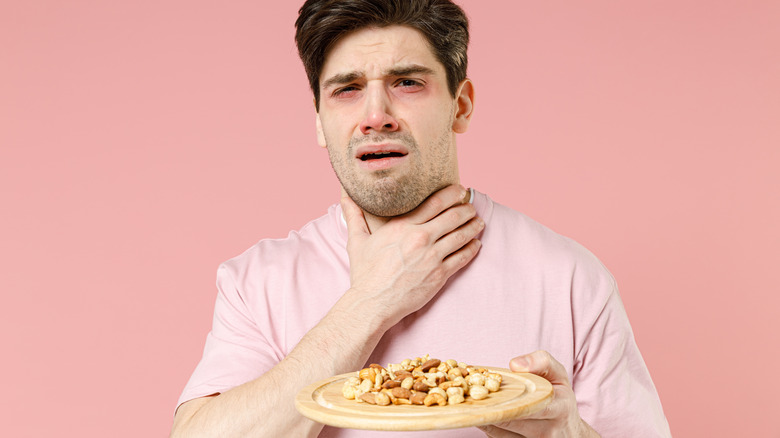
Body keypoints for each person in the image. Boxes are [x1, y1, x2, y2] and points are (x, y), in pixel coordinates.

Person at [170, 0, 671, 437]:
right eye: (346, 89)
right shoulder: (257, 281)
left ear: (462, 105)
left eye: (407, 82)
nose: (375, 115)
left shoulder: (569, 279)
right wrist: (371, 301)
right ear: (319, 120)